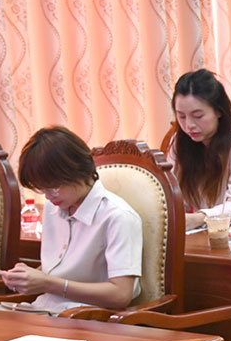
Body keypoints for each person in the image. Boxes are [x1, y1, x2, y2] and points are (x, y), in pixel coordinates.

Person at [9, 126, 141, 313]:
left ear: (77, 170)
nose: (47, 196)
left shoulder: (117, 216)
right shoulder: (53, 208)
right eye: (40, 189)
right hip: (44, 312)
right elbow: (61, 269)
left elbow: (121, 294)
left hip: (90, 318)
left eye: (53, 188)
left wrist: (48, 283)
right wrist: (29, 277)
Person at [168, 69, 231, 227]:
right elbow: (174, 197)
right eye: (181, 116)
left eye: (198, 116)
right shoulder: (179, 142)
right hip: (198, 235)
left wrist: (199, 218)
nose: (189, 125)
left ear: (219, 111)